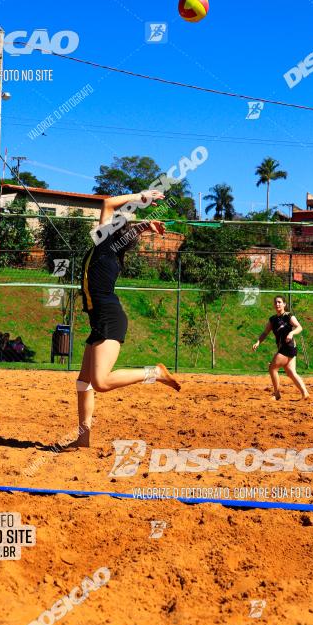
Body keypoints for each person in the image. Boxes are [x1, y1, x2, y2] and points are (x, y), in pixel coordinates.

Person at [71, 190, 180, 449]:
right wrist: (145, 225)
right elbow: (124, 228)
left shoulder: (104, 245)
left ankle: (154, 373)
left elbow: (108, 203)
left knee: (101, 382)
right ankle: (83, 437)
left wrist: (142, 198)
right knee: (83, 383)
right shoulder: (108, 249)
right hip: (100, 319)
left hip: (108, 318)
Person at [252, 295, 309, 400]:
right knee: (291, 372)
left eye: (279, 302)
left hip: (288, 347)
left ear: (284, 304)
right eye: (276, 302)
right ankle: (305, 393)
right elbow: (265, 332)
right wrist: (258, 342)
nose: (277, 304)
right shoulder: (273, 319)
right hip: (285, 348)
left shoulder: (288, 316)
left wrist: (291, 333)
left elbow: (299, 327)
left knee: (272, 368)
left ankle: (277, 394)